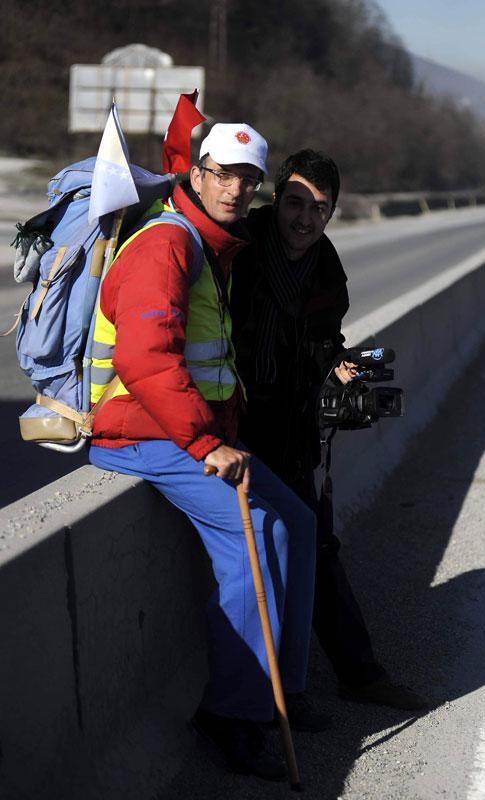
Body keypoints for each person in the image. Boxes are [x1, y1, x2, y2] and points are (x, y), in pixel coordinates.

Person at [87, 125, 327, 782]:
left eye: (248, 180)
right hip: (142, 434)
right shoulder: (166, 244)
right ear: (196, 173)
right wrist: (205, 441)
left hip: (184, 432)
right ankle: (236, 710)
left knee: (299, 525)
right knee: (261, 526)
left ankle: (285, 688)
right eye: (223, 173)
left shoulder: (207, 244)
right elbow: (143, 358)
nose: (236, 188)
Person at [231, 149, 427, 711]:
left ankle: (348, 676)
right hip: (231, 420)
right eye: (295, 203)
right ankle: (274, 692)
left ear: (332, 213)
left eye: (319, 208)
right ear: (275, 199)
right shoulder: (238, 247)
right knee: (275, 553)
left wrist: (336, 368)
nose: (305, 219)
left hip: (288, 423)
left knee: (314, 543)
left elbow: (317, 343)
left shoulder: (326, 270)